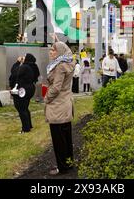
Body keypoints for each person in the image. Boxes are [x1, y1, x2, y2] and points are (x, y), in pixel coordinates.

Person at [44, 42, 75, 176]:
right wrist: (58, 41)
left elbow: (56, 88)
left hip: (57, 106)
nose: (50, 52)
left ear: (59, 53)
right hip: (66, 105)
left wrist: (46, 98)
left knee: (58, 140)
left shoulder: (59, 66)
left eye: (53, 50)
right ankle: (69, 163)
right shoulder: (68, 62)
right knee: (66, 138)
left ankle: (62, 168)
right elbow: (66, 51)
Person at [10, 53, 39, 133]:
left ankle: (25, 129)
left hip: (23, 90)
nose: (22, 58)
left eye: (24, 57)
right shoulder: (32, 66)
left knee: (21, 108)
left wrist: (17, 62)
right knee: (25, 108)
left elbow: (14, 72)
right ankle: (28, 125)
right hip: (29, 89)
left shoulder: (25, 67)